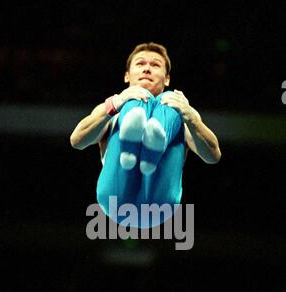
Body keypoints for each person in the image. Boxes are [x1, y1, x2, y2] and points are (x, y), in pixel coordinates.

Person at [70, 42, 221, 228]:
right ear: (127, 75)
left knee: (172, 104)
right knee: (133, 100)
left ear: (167, 79)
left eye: (155, 65)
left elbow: (213, 156)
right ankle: (139, 150)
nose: (147, 69)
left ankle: (151, 148)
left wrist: (192, 119)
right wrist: (115, 103)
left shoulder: (182, 110)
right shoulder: (114, 108)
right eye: (140, 64)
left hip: (159, 202)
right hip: (116, 197)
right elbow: (77, 141)